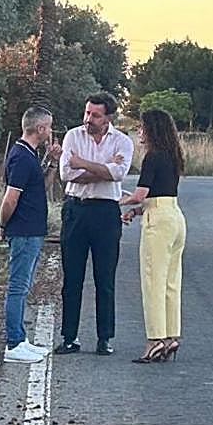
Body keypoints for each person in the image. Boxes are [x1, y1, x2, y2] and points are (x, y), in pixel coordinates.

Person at [56, 92, 134, 356]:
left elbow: (118, 174)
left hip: (105, 212)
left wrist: (83, 164)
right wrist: (102, 169)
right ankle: (69, 337)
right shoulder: (73, 136)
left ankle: (105, 338)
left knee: (105, 277)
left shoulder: (122, 141)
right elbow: (66, 173)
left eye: (96, 115)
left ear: (108, 117)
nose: (89, 119)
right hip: (76, 210)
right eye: (87, 113)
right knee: (72, 277)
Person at [120, 109, 187, 363]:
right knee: (171, 281)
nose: (139, 131)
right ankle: (170, 335)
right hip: (174, 217)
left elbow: (141, 193)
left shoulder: (152, 157)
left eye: (142, 127)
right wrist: (137, 211)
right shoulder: (173, 157)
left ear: (152, 130)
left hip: (158, 223)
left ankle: (154, 339)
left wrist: (119, 201)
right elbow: (160, 196)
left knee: (153, 280)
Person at [0, 106, 61, 364]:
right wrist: (3, 224)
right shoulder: (21, 157)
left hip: (32, 230)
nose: (51, 132)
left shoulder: (30, 155)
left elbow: (40, 186)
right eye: (49, 126)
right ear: (41, 128)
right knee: (18, 286)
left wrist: (51, 161)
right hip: (23, 230)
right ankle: (13, 343)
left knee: (23, 286)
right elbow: (10, 199)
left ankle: (21, 339)